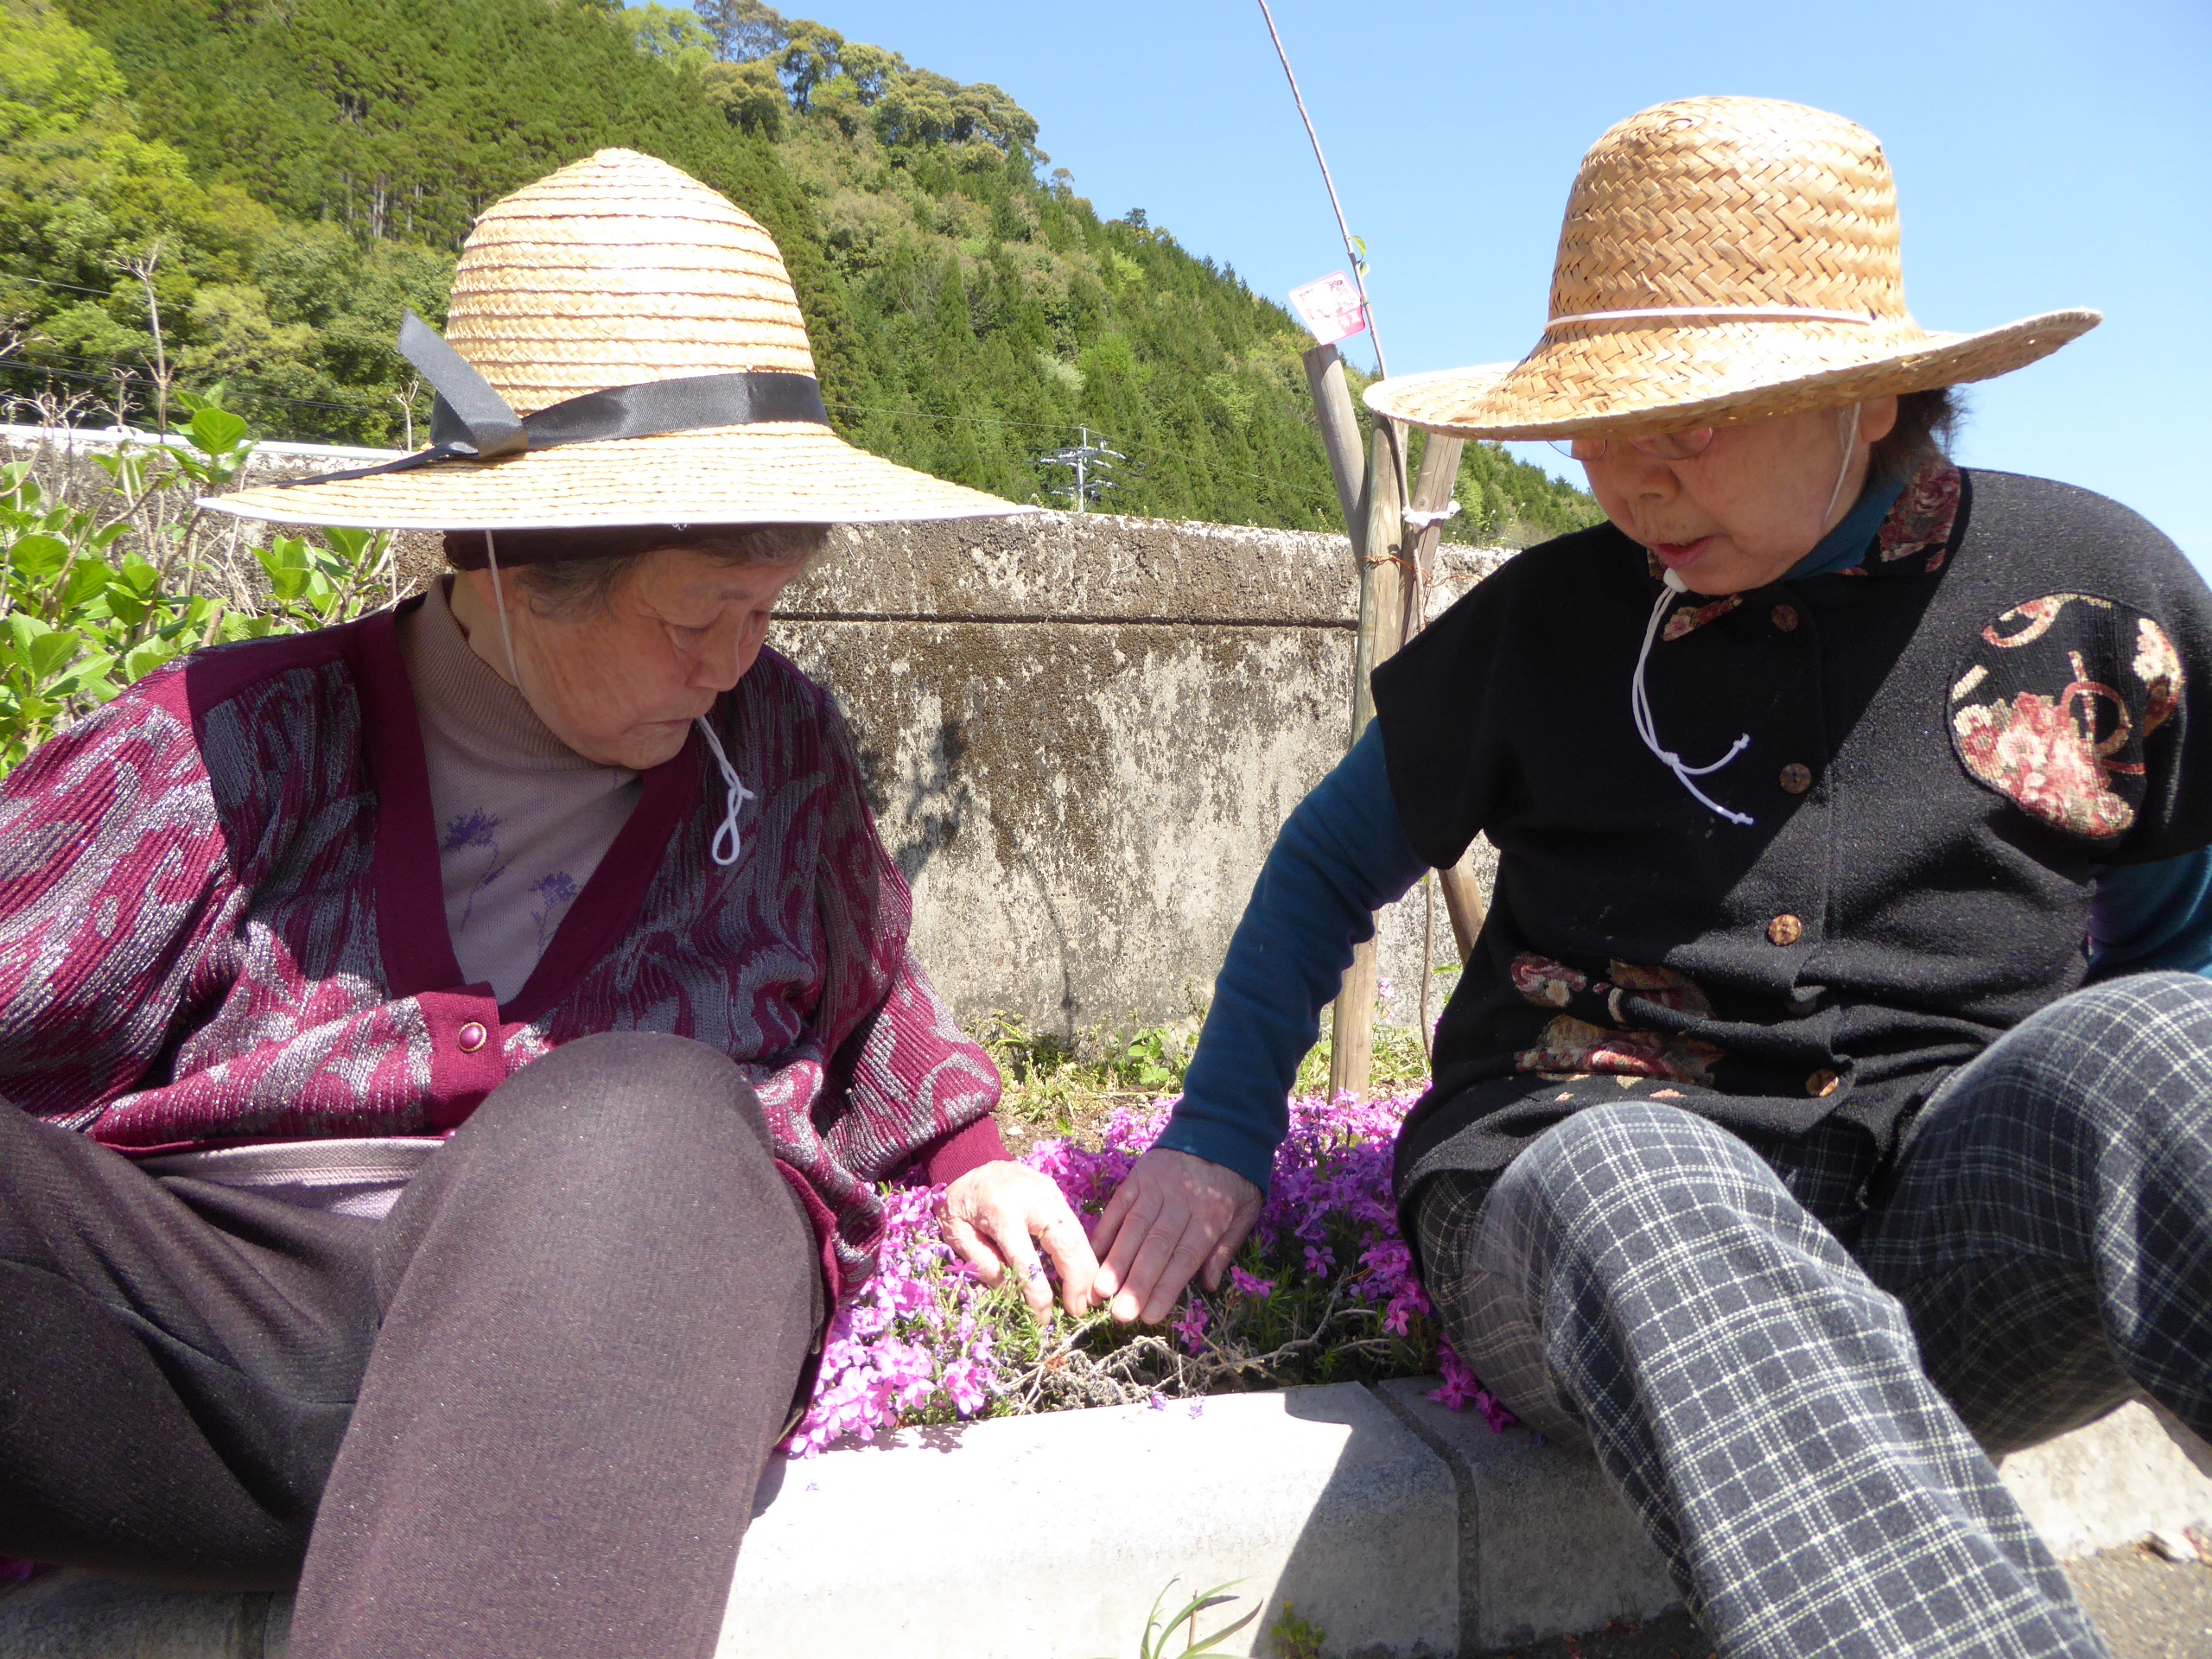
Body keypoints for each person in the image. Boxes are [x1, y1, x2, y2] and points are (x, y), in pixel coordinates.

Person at [1085, 97, 2212, 1657]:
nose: (1628, 485)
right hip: (1582, 1205)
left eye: (1684, 430)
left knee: (2174, 1053)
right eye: (1598, 431)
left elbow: (2173, 942)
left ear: (1870, 398)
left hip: (1947, 1223)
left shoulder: (2099, 601)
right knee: (1650, 1178)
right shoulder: (1553, 620)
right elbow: (1329, 862)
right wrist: (1217, 1137)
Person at [0, 149, 1099, 1659]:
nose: (737, 660)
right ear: (510, 568)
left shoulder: (773, 746)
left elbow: (871, 991)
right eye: (696, 617)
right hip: (233, 1346)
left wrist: (972, 1157)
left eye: (765, 610)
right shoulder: (221, 751)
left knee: (641, 1120)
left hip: (614, 1315)